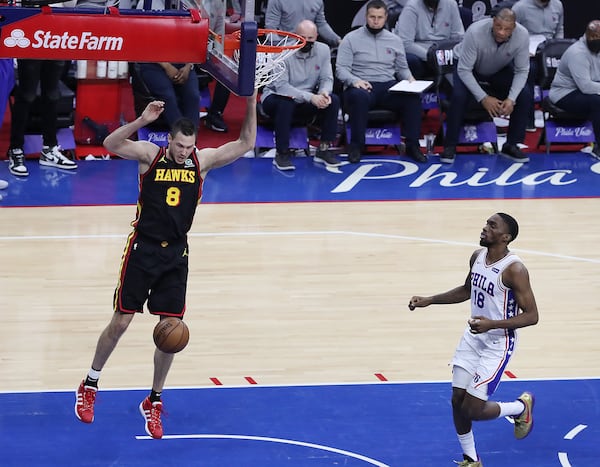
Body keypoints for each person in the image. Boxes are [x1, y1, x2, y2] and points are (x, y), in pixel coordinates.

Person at [74, 91, 257, 439]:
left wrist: (249, 101)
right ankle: (90, 384)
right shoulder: (150, 155)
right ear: (170, 140)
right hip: (142, 249)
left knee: (170, 332)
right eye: (180, 146)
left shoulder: (201, 162)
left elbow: (246, 141)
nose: (184, 152)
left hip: (176, 254)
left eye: (190, 147)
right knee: (122, 320)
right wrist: (143, 121)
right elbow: (111, 143)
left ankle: (154, 400)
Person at [408, 212, 539, 467]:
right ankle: (471, 459)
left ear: (505, 237)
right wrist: (430, 300)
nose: (484, 228)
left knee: (473, 410)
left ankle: (520, 408)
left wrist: (492, 324)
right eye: (486, 223)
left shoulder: (515, 269)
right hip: (473, 338)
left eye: (492, 226)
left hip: (497, 343)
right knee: (457, 400)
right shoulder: (477, 256)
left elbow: (532, 316)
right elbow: (467, 290)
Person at [336, 0, 426, 164]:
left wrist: (411, 80)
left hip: (387, 86)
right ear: (366, 17)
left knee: (412, 98)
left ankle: (413, 146)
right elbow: (340, 69)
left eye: (379, 17)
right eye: (372, 17)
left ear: (386, 18)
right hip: (362, 85)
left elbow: (402, 69)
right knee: (359, 97)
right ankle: (356, 146)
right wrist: (355, 81)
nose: (375, 21)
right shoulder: (350, 39)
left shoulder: (395, 40)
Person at [440, 8, 532, 164]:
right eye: (499, 27)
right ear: (493, 22)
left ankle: (511, 145)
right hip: (468, 67)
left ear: (514, 28)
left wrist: (511, 99)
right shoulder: (475, 32)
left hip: (497, 67)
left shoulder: (522, 35)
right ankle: (450, 145)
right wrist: (483, 98)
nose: (502, 32)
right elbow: (464, 70)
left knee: (524, 94)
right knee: (459, 96)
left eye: (507, 29)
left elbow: (522, 70)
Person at [261, 20, 341, 171]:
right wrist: (311, 98)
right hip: (276, 97)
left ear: (316, 36)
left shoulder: (323, 50)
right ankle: (282, 153)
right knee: (286, 102)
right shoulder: (283, 52)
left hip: (307, 98)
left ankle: (323, 149)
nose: (307, 42)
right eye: (302, 37)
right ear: (295, 36)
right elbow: (282, 87)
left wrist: (324, 93)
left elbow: (326, 78)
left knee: (333, 100)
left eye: (310, 38)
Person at [7, 60, 78, 177]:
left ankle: (49, 148)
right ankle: (16, 149)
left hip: (54, 45)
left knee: (52, 95)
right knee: (27, 94)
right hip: (31, 47)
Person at [549, 19, 600, 160]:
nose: (596, 40)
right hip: (564, 93)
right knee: (597, 102)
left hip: (589, 89)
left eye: (599, 37)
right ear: (587, 34)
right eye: (593, 36)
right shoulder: (578, 53)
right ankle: (599, 148)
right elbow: (586, 87)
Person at [512, 0, 565, 131]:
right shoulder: (520, 7)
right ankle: (528, 121)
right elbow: (511, 33)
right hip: (528, 52)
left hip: (551, 51)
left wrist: (559, 47)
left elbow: (559, 30)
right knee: (529, 71)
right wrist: (522, 50)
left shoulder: (557, 5)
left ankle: (566, 117)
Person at [393, 0, 464, 79]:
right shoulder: (411, 7)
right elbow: (406, 43)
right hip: (421, 54)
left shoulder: (451, 4)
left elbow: (459, 37)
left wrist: (447, 56)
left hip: (444, 52)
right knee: (411, 60)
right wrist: (433, 57)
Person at [137, 62, 200, 129]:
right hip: (153, 63)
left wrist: (188, 66)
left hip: (184, 63)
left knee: (193, 96)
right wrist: (167, 66)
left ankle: (191, 135)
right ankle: (181, 133)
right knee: (168, 96)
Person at [265, 0, 342, 47]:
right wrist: (280, 48)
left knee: (323, 50)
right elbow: (271, 27)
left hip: (309, 44)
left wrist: (337, 40)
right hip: (287, 46)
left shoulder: (318, 1)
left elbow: (321, 24)